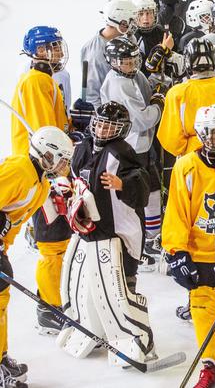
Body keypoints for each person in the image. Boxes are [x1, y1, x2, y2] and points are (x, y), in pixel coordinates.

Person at [58, 102, 156, 367]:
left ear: (120, 130)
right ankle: (90, 329)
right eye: (100, 124)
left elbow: (143, 185)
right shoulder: (82, 149)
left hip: (118, 234)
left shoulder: (122, 151)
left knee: (120, 288)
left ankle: (136, 339)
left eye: (109, 126)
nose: (102, 130)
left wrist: (123, 183)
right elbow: (75, 179)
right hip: (88, 232)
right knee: (83, 285)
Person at [161, 105, 215, 388]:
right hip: (199, 252)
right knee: (201, 309)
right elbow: (176, 210)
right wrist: (176, 251)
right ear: (202, 135)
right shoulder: (186, 165)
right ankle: (210, 364)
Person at [11, 26, 73, 335]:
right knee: (53, 245)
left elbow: (56, 125)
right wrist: (56, 169)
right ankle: (49, 309)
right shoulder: (36, 81)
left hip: (48, 170)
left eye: (57, 46)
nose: (57, 52)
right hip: (44, 173)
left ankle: (54, 302)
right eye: (50, 47)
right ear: (36, 51)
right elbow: (43, 133)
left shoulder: (43, 79)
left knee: (59, 242)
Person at [0, 126, 73, 388]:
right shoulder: (19, 169)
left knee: (1, 300)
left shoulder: (40, 184)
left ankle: (1, 357)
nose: (65, 165)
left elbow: (12, 223)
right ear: (48, 154)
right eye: (62, 158)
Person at [99, 36, 165, 269]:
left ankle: (152, 237)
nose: (131, 65)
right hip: (130, 149)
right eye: (125, 61)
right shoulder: (118, 83)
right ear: (113, 62)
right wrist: (159, 103)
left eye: (133, 60)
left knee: (153, 189)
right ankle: (138, 245)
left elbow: (149, 92)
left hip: (142, 147)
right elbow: (142, 119)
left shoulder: (133, 76)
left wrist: (157, 82)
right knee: (135, 197)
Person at [157, 37, 215, 159]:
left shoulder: (177, 93)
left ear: (187, 61)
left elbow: (171, 140)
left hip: (194, 158)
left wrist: (192, 147)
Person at [81, 0, 138, 107]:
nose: (134, 24)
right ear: (121, 21)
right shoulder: (94, 53)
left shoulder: (129, 39)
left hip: (129, 103)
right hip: (112, 114)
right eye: (131, 20)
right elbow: (91, 95)